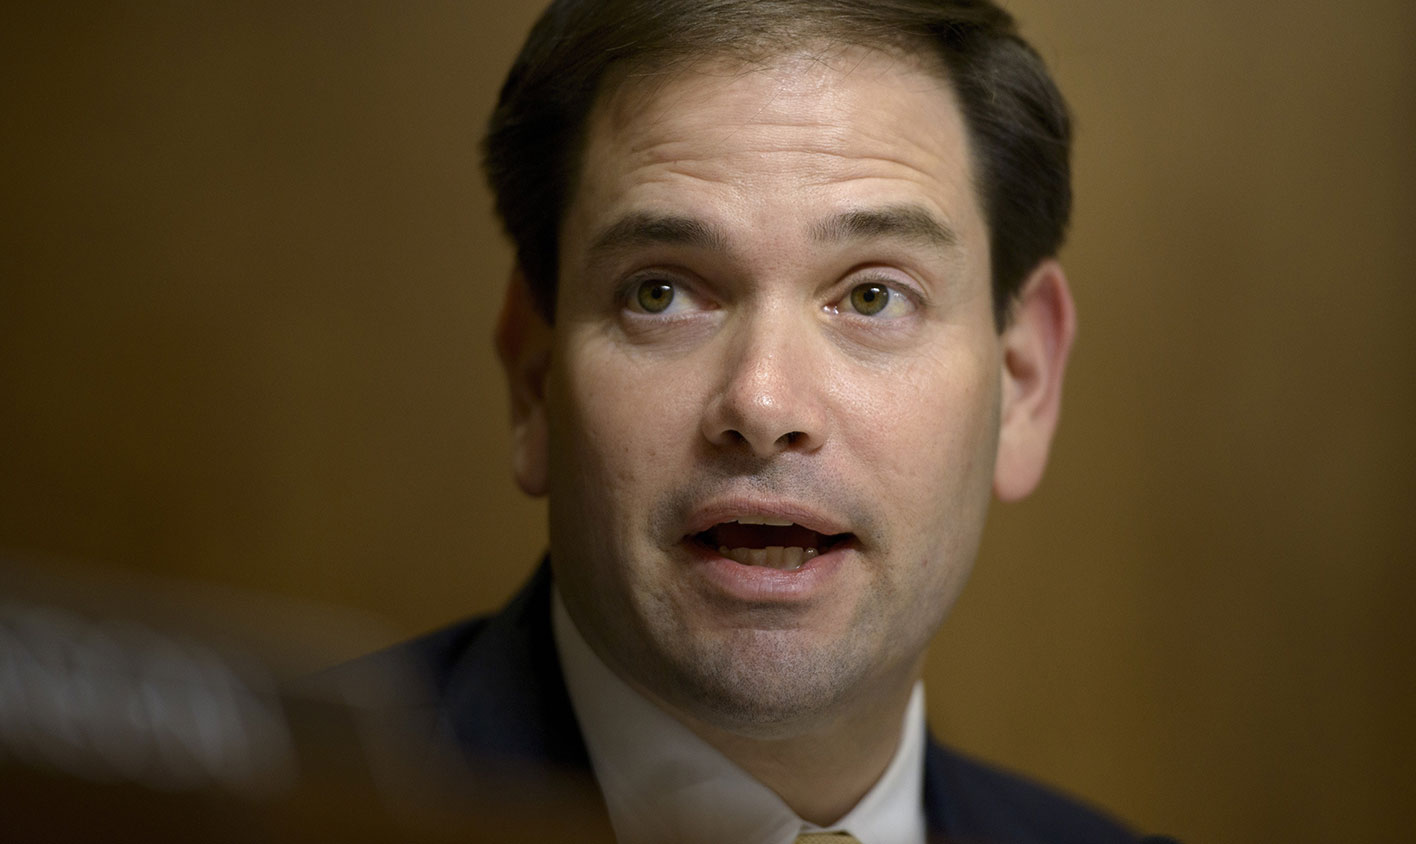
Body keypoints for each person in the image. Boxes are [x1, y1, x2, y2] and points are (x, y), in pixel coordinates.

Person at [334, 1, 1170, 842]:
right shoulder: (265, 810)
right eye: (659, 293)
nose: (764, 406)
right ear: (533, 377)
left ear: (1023, 383)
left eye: (873, 296)